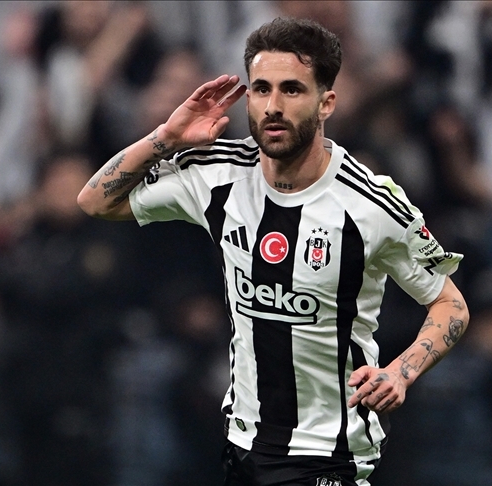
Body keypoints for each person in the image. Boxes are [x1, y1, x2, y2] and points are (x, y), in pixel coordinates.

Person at [77, 17, 469, 485]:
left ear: (326, 103)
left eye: (292, 90)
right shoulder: (218, 175)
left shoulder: (370, 203)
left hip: (328, 455)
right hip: (243, 446)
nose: (273, 106)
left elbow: (451, 305)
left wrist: (401, 371)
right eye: (261, 89)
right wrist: (167, 137)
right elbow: (96, 200)